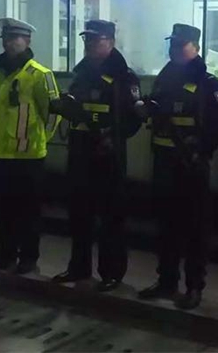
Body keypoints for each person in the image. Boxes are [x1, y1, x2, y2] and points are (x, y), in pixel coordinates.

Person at [137, 24, 218, 310]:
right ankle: (166, 281)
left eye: (181, 45)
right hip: (164, 163)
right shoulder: (165, 77)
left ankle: (194, 287)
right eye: (172, 44)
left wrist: (201, 152)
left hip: (191, 166)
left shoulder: (208, 83)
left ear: (196, 48)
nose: (174, 49)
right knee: (166, 227)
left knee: (195, 229)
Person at [51, 20, 142, 291]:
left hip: (108, 155)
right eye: (86, 40)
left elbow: (133, 119)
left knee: (111, 216)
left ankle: (111, 273)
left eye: (95, 40)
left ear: (110, 42)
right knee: (79, 213)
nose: (89, 44)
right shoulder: (81, 74)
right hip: (80, 152)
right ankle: (78, 267)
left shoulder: (124, 77)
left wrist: (112, 137)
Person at [0, 18, 60, 275]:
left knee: (29, 211)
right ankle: (3, 255)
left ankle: (28, 258)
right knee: (4, 210)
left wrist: (41, 139)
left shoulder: (40, 74)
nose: (9, 43)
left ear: (27, 41)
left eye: (15, 38)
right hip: (2, 153)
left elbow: (53, 114)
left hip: (29, 156)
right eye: (6, 38)